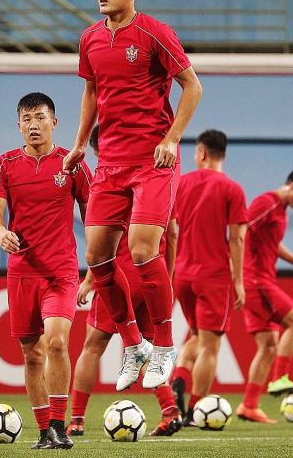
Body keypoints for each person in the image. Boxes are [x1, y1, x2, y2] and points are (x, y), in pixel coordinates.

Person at [62, 0, 203, 393]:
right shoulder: (89, 39)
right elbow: (90, 92)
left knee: (142, 251)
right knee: (97, 256)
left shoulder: (155, 33)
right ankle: (133, 343)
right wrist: (81, 144)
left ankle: (163, 343)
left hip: (153, 161)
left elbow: (193, 87)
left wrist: (172, 139)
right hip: (110, 164)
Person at [0, 92, 92, 449]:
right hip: (22, 272)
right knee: (32, 355)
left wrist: (97, 266)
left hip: (61, 270)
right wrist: (0, 231)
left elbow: (94, 216)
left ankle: (60, 426)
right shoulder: (5, 164)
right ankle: (44, 430)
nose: (33, 125)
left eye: (40, 117)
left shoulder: (72, 163)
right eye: (27, 119)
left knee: (58, 342)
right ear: (19, 125)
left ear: (54, 122)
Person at [67, 125, 182, 438]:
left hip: (119, 277)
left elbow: (102, 244)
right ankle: (170, 411)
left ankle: (76, 419)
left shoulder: (106, 182)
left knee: (93, 345)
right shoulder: (156, 176)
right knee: (148, 349)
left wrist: (91, 281)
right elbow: (172, 231)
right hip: (150, 277)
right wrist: (166, 282)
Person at [169, 130, 247, 426]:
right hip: (213, 276)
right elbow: (237, 239)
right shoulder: (233, 189)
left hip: (183, 275)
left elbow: (172, 228)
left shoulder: (183, 184)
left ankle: (179, 377)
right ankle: (196, 410)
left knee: (198, 336)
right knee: (210, 346)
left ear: (201, 153)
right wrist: (238, 280)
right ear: (222, 154)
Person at [237, 167, 293, 424]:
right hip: (255, 280)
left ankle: (249, 406)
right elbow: (239, 232)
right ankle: (279, 378)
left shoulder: (280, 209)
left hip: (259, 279)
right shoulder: (267, 202)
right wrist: (235, 276)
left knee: (268, 346)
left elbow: (272, 244)